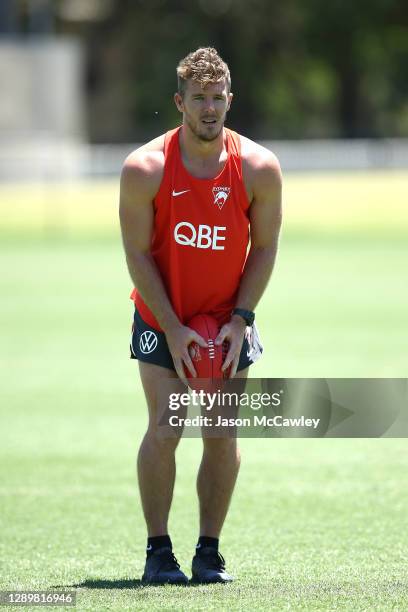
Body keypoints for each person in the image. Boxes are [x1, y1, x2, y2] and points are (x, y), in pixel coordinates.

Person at [119, 47, 282, 585]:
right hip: (162, 316)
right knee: (167, 428)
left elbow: (263, 249)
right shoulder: (145, 169)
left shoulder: (259, 168)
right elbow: (138, 255)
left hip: (228, 323)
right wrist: (173, 326)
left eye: (218, 98)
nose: (209, 109)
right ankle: (157, 551)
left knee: (221, 434)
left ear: (230, 100)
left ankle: (208, 552)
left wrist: (241, 320)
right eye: (199, 99)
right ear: (179, 103)